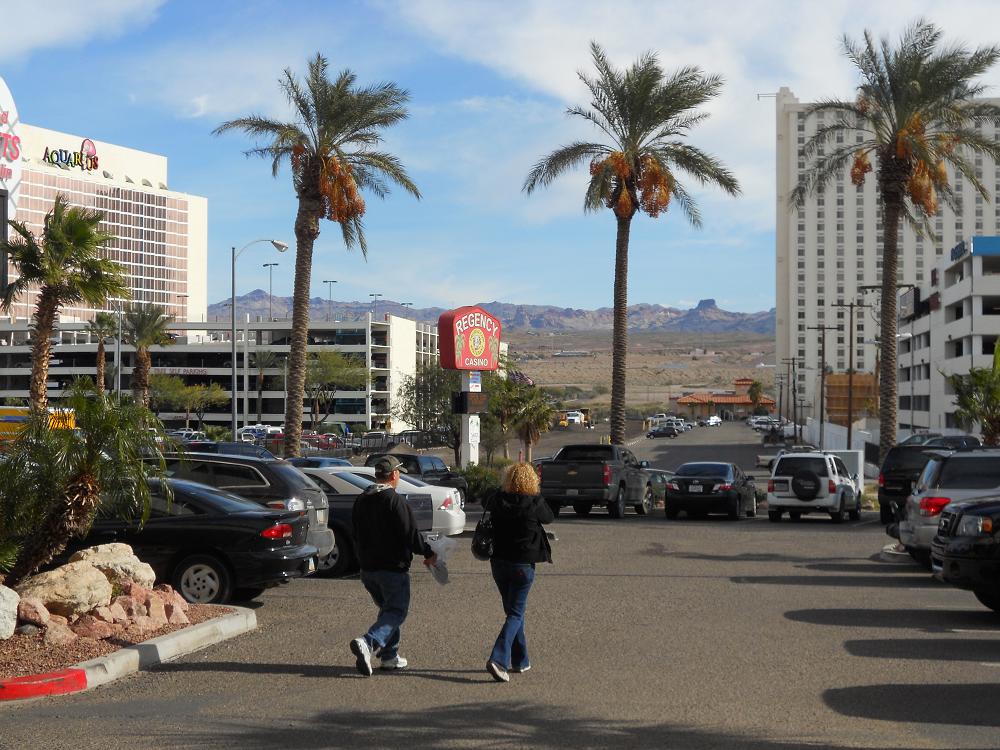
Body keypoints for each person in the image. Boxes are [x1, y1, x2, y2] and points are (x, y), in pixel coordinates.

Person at [349, 455, 437, 676]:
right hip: (391, 568)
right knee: (396, 611)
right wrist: (428, 552)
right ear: (394, 475)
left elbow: (355, 533)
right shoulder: (395, 501)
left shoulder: (362, 499)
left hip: (368, 569)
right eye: (399, 473)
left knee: (387, 610)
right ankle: (368, 642)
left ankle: (390, 657)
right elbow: (411, 534)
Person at [485, 462, 554, 682]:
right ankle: (498, 660)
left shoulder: (497, 499)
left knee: (514, 612)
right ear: (532, 480)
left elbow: (486, 499)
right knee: (515, 613)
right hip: (522, 565)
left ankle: (520, 660)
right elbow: (549, 517)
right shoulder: (534, 502)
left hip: (498, 563)